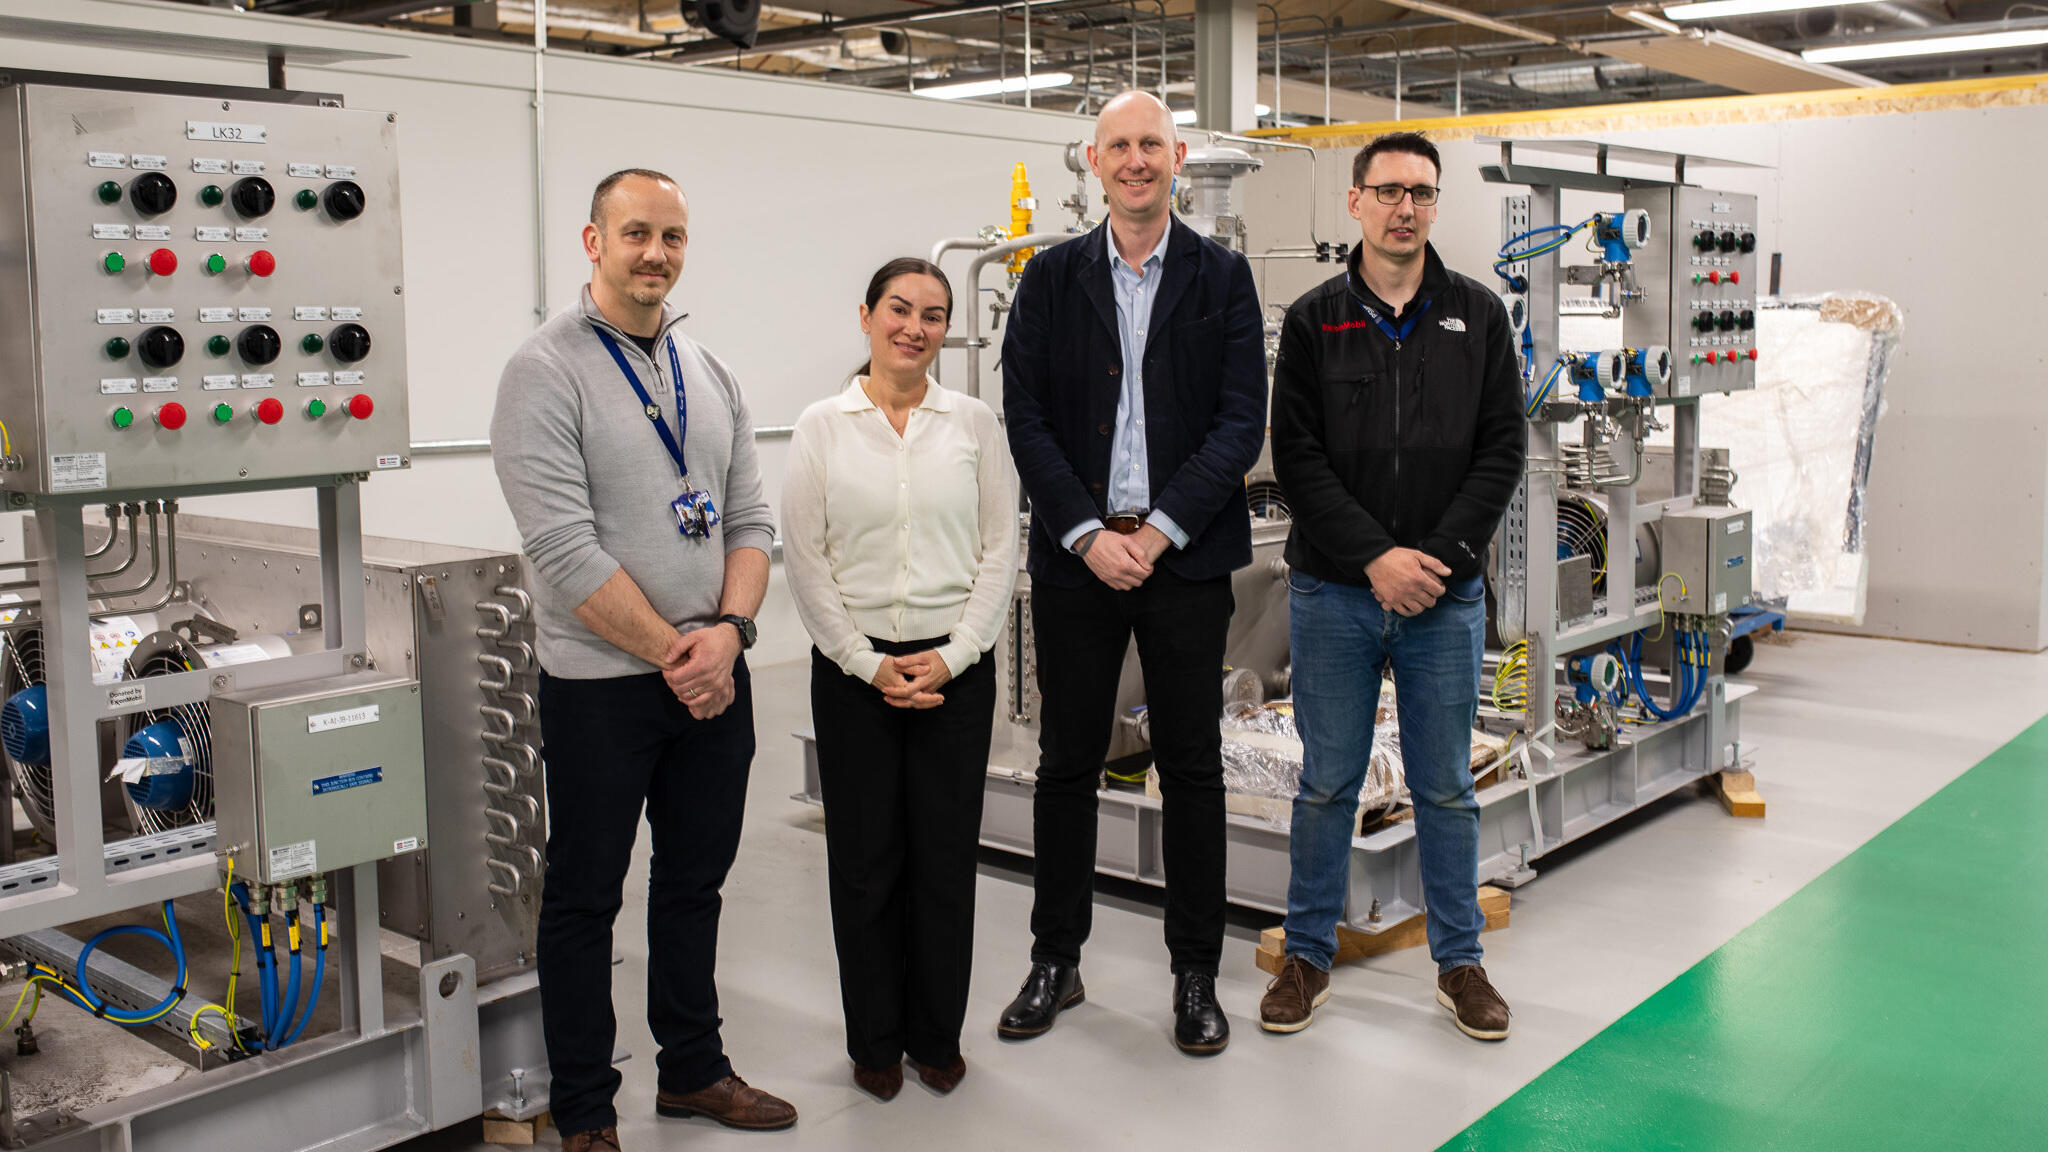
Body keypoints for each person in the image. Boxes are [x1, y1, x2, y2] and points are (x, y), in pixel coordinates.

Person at [491, 169, 797, 1152]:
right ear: (591, 242)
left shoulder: (707, 371)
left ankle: (693, 1070)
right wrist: (679, 651)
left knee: (695, 882)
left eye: (671, 236)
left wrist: (733, 636)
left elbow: (749, 521)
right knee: (585, 895)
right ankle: (582, 1112)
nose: (655, 253)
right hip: (601, 689)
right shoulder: (543, 371)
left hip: (714, 673)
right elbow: (563, 551)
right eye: (635, 234)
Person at [998, 90, 1267, 1056]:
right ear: (1092, 160)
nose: (1136, 159)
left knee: (1190, 765)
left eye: (1152, 143)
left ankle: (1195, 972)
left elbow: (1242, 422)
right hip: (1078, 559)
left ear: (1179, 156)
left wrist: (1154, 533)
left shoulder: (1224, 278)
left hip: (1182, 558)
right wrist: (1082, 530)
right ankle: (1055, 959)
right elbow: (1022, 414)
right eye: (1119, 145)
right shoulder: (1049, 278)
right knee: (1067, 760)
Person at [1260, 132, 1525, 1041]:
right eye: (1389, 191)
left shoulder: (1479, 317)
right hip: (1334, 591)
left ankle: (1461, 965)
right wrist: (1376, 558)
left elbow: (1502, 452)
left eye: (1421, 192)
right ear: (1356, 203)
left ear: (1435, 205)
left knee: (1445, 785)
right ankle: (1306, 957)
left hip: (1443, 598)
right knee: (1327, 783)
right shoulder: (1313, 320)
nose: (1405, 208)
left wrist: (1437, 558)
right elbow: (1296, 457)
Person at [782, 257, 1020, 1101]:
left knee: (946, 862)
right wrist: (866, 662)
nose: (914, 327)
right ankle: (876, 1041)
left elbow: (1001, 550)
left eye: (932, 314)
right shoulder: (822, 425)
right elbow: (805, 561)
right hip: (855, 676)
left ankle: (935, 1037)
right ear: (866, 316)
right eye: (899, 309)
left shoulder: (975, 424)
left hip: (954, 669)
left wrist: (953, 657)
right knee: (865, 862)